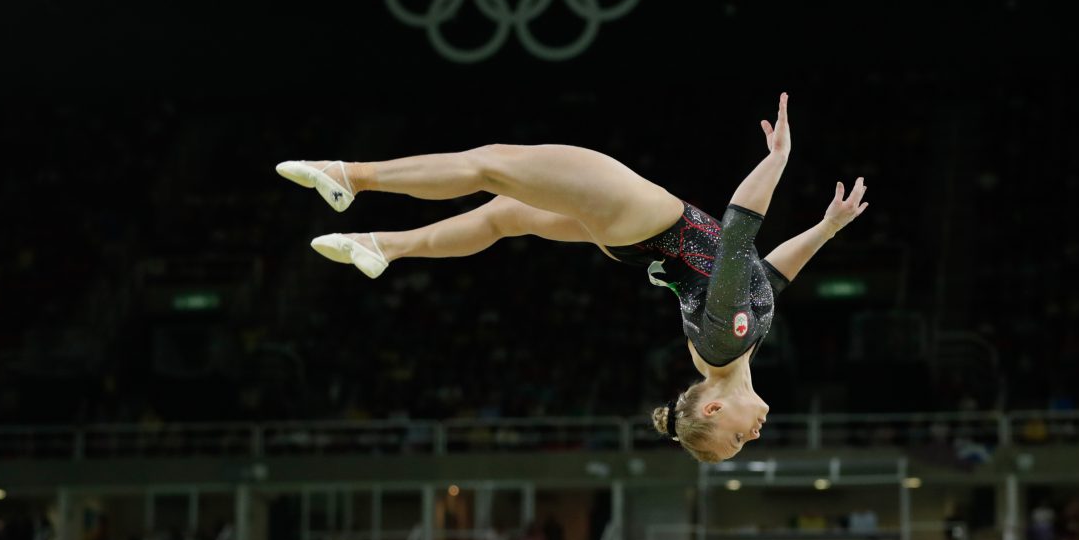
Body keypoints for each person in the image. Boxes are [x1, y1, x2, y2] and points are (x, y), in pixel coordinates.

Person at [278, 93, 867, 462]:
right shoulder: (733, 351)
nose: (754, 436)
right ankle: (383, 245)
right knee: (505, 217)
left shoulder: (725, 342)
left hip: (646, 220)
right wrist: (827, 228)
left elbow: (738, 235)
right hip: (635, 242)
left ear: (713, 411)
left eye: (737, 439)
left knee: (493, 166)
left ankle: (351, 175)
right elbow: (771, 276)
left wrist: (776, 161)